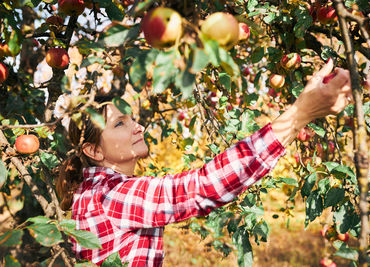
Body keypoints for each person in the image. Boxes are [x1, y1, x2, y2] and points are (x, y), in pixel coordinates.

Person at [56, 59, 352, 266]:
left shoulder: (90, 189)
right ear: (93, 150)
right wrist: (300, 113)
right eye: (120, 124)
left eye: (132, 118)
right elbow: (202, 188)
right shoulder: (111, 196)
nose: (138, 127)